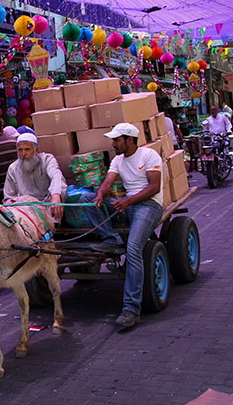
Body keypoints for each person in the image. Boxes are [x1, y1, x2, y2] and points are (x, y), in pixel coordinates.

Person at [79, 123, 163, 330]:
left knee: (134, 250)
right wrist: (100, 195)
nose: (113, 144)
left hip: (148, 205)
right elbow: (107, 183)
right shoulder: (117, 160)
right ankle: (111, 239)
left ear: (130, 140)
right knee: (86, 198)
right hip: (128, 203)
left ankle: (131, 309)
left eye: (117, 140)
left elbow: (154, 187)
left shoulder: (149, 156)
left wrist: (128, 201)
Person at [3, 133, 67, 222]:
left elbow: (56, 176)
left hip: (48, 204)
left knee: (59, 189)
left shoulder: (47, 159)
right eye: (20, 150)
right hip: (26, 210)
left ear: (36, 150)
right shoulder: (13, 168)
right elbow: (8, 197)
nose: (23, 154)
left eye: (27, 149)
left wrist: (56, 195)